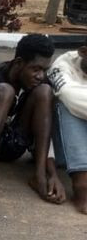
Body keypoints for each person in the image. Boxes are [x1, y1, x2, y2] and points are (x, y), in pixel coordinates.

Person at [0, 33, 66, 204]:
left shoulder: (39, 83)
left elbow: (48, 133)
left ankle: (39, 175)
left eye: (44, 70)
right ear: (19, 63)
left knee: (45, 92)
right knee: (5, 91)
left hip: (15, 145)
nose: (40, 75)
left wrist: (52, 174)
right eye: (36, 69)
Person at [48, 39, 87, 213]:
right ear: (83, 52)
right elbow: (69, 95)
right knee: (66, 103)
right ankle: (82, 184)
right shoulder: (63, 64)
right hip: (61, 150)